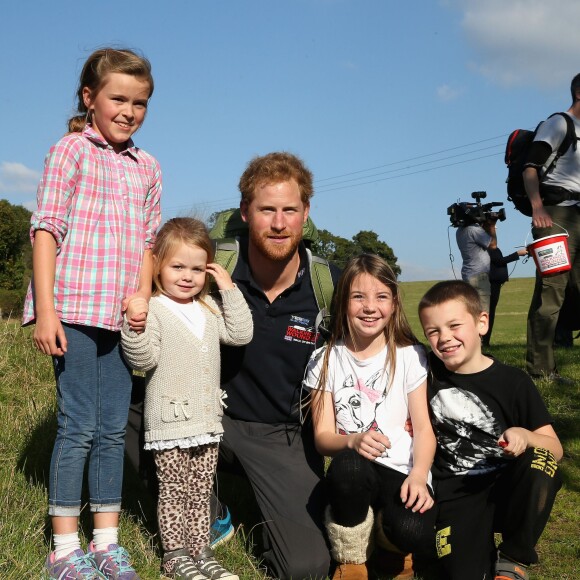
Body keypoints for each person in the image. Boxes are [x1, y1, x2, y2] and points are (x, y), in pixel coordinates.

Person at [22, 48, 162, 579]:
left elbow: (149, 243)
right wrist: (47, 309)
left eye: (140, 102)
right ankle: (63, 550)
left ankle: (107, 542)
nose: (129, 111)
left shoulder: (148, 166)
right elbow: (46, 230)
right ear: (90, 98)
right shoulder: (69, 151)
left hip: (122, 317)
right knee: (79, 425)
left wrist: (143, 296)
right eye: (118, 98)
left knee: (110, 431)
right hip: (75, 310)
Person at [216, 152, 339, 579]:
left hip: (284, 436)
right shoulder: (213, 272)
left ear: (306, 214)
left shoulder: (330, 286)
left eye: (290, 210)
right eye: (267, 209)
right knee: (120, 408)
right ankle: (208, 508)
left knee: (307, 568)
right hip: (212, 419)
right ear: (246, 212)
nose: (279, 223)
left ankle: (272, 513)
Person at [121, 218, 253, 580]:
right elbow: (143, 359)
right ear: (158, 266)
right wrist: (133, 323)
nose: (187, 276)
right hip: (170, 423)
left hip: (207, 421)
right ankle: (175, 556)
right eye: (177, 266)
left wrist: (228, 288)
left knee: (201, 491)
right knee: (173, 493)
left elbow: (241, 333)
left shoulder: (209, 307)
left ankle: (202, 551)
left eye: (197, 268)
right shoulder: (156, 309)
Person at [418, 280, 563, 580]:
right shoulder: (425, 372)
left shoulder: (514, 382)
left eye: (454, 325)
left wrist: (525, 435)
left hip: (508, 489)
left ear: (482, 322)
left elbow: (556, 448)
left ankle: (513, 558)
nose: (444, 338)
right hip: (457, 495)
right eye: (433, 331)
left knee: (543, 464)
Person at [304, 254, 436, 580]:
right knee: (348, 467)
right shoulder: (325, 359)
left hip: (402, 469)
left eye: (381, 297)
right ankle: (352, 560)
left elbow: (423, 429)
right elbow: (323, 437)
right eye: (358, 296)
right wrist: (353, 440)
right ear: (343, 300)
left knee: (413, 531)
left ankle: (392, 551)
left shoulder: (410, 356)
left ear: (393, 303)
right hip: (354, 471)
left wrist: (419, 475)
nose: (369, 307)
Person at [523, 73, 580, 381]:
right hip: (555, 216)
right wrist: (537, 207)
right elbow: (530, 167)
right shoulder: (558, 124)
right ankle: (540, 370)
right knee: (550, 294)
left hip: (579, 217)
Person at [482, 221, 528, 346]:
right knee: (489, 312)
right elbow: (499, 261)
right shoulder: (489, 248)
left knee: (490, 312)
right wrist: (517, 254)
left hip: (494, 283)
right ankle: (484, 341)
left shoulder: (489, 247)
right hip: (492, 284)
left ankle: (485, 341)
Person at [456, 219, 497, 312]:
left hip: (468, 275)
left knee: (472, 313)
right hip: (479, 277)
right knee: (483, 313)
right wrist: (492, 226)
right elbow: (493, 245)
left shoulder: (460, 230)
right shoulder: (473, 229)